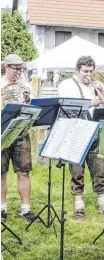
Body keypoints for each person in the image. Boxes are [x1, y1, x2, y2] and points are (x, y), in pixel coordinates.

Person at [57, 55, 104, 220]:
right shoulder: (67, 84)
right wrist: (91, 102)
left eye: (91, 71)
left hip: (94, 131)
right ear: (77, 70)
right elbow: (68, 104)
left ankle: (103, 204)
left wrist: (102, 89)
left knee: (99, 169)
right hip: (76, 131)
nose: (89, 74)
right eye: (85, 71)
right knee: (77, 171)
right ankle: (79, 206)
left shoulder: (94, 86)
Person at [1, 54, 38, 222]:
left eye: (21, 68)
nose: (19, 72)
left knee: (24, 171)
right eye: (15, 68)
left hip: (21, 132)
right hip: (2, 131)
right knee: (1, 173)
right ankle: (2, 209)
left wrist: (29, 99)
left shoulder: (24, 85)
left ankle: (25, 209)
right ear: (6, 67)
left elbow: (34, 108)